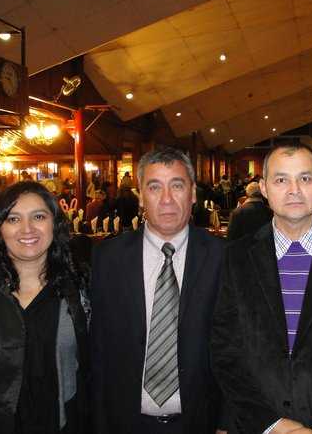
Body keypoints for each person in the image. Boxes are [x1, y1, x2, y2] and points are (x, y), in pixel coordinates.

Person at [211, 143, 312, 434]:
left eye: (305, 178)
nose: (294, 190)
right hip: (255, 425)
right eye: (281, 180)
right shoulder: (234, 258)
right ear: (264, 188)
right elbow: (225, 350)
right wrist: (270, 424)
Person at [90, 147, 227, 434]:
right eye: (154, 187)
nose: (166, 199)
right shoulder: (108, 258)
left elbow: (236, 348)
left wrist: (227, 423)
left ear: (192, 194)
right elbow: (99, 348)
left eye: (177, 186)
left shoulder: (223, 257)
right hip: (125, 422)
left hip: (201, 422)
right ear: (141, 196)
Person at [0, 181, 90, 433]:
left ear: (55, 223)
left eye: (39, 217)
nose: (27, 228)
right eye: (13, 219)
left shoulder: (79, 288)